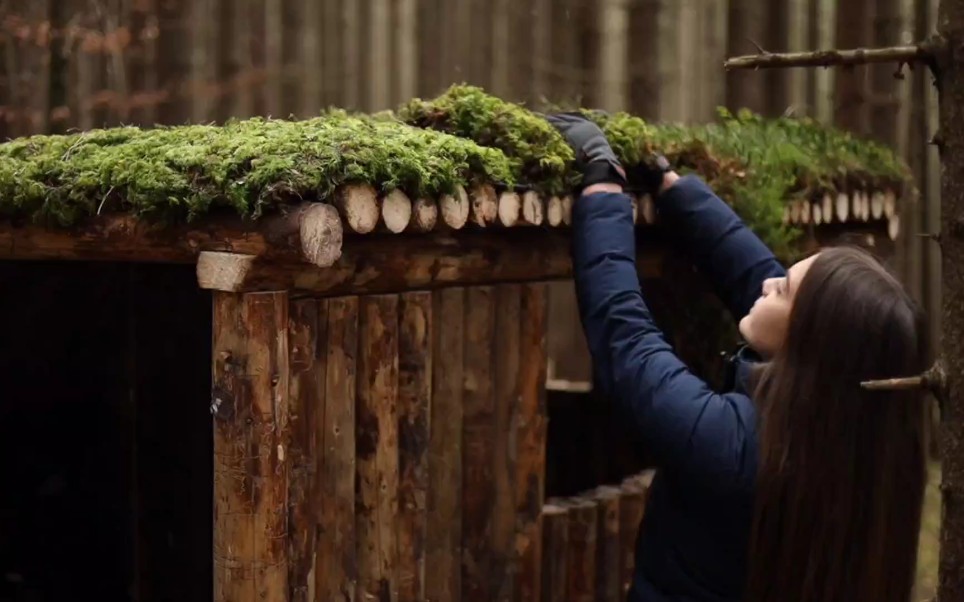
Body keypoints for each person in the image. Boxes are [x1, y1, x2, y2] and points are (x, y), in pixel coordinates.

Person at [544, 113, 929, 602]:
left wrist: (603, 193)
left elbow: (626, 338)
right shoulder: (859, 438)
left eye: (783, 288)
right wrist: (673, 187)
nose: (768, 282)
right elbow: (761, 278)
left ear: (810, 341)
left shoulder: (734, 448)